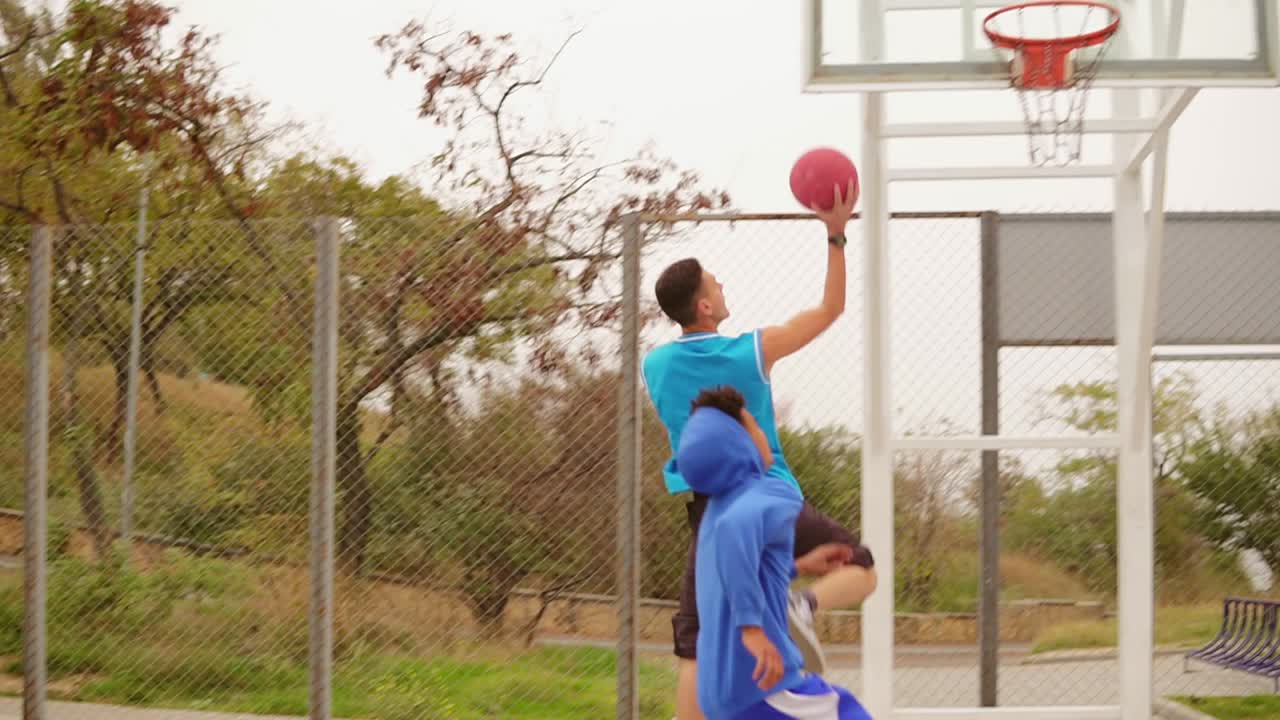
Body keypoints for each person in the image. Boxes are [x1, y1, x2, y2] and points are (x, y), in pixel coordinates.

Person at [641, 182, 876, 720]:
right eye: (715, 284)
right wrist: (836, 235)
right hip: (771, 497)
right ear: (704, 304)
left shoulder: (655, 366)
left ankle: (781, 603)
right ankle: (801, 604)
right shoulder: (750, 350)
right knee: (860, 567)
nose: (723, 288)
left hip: (708, 510)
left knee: (697, 642)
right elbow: (830, 308)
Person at [677, 386, 873, 720]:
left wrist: (797, 566)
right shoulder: (769, 491)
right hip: (768, 687)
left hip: (721, 695)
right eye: (755, 426)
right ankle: (798, 608)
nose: (765, 434)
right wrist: (751, 627)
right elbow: (735, 534)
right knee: (844, 711)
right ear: (738, 444)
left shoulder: (715, 511)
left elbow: (734, 569)